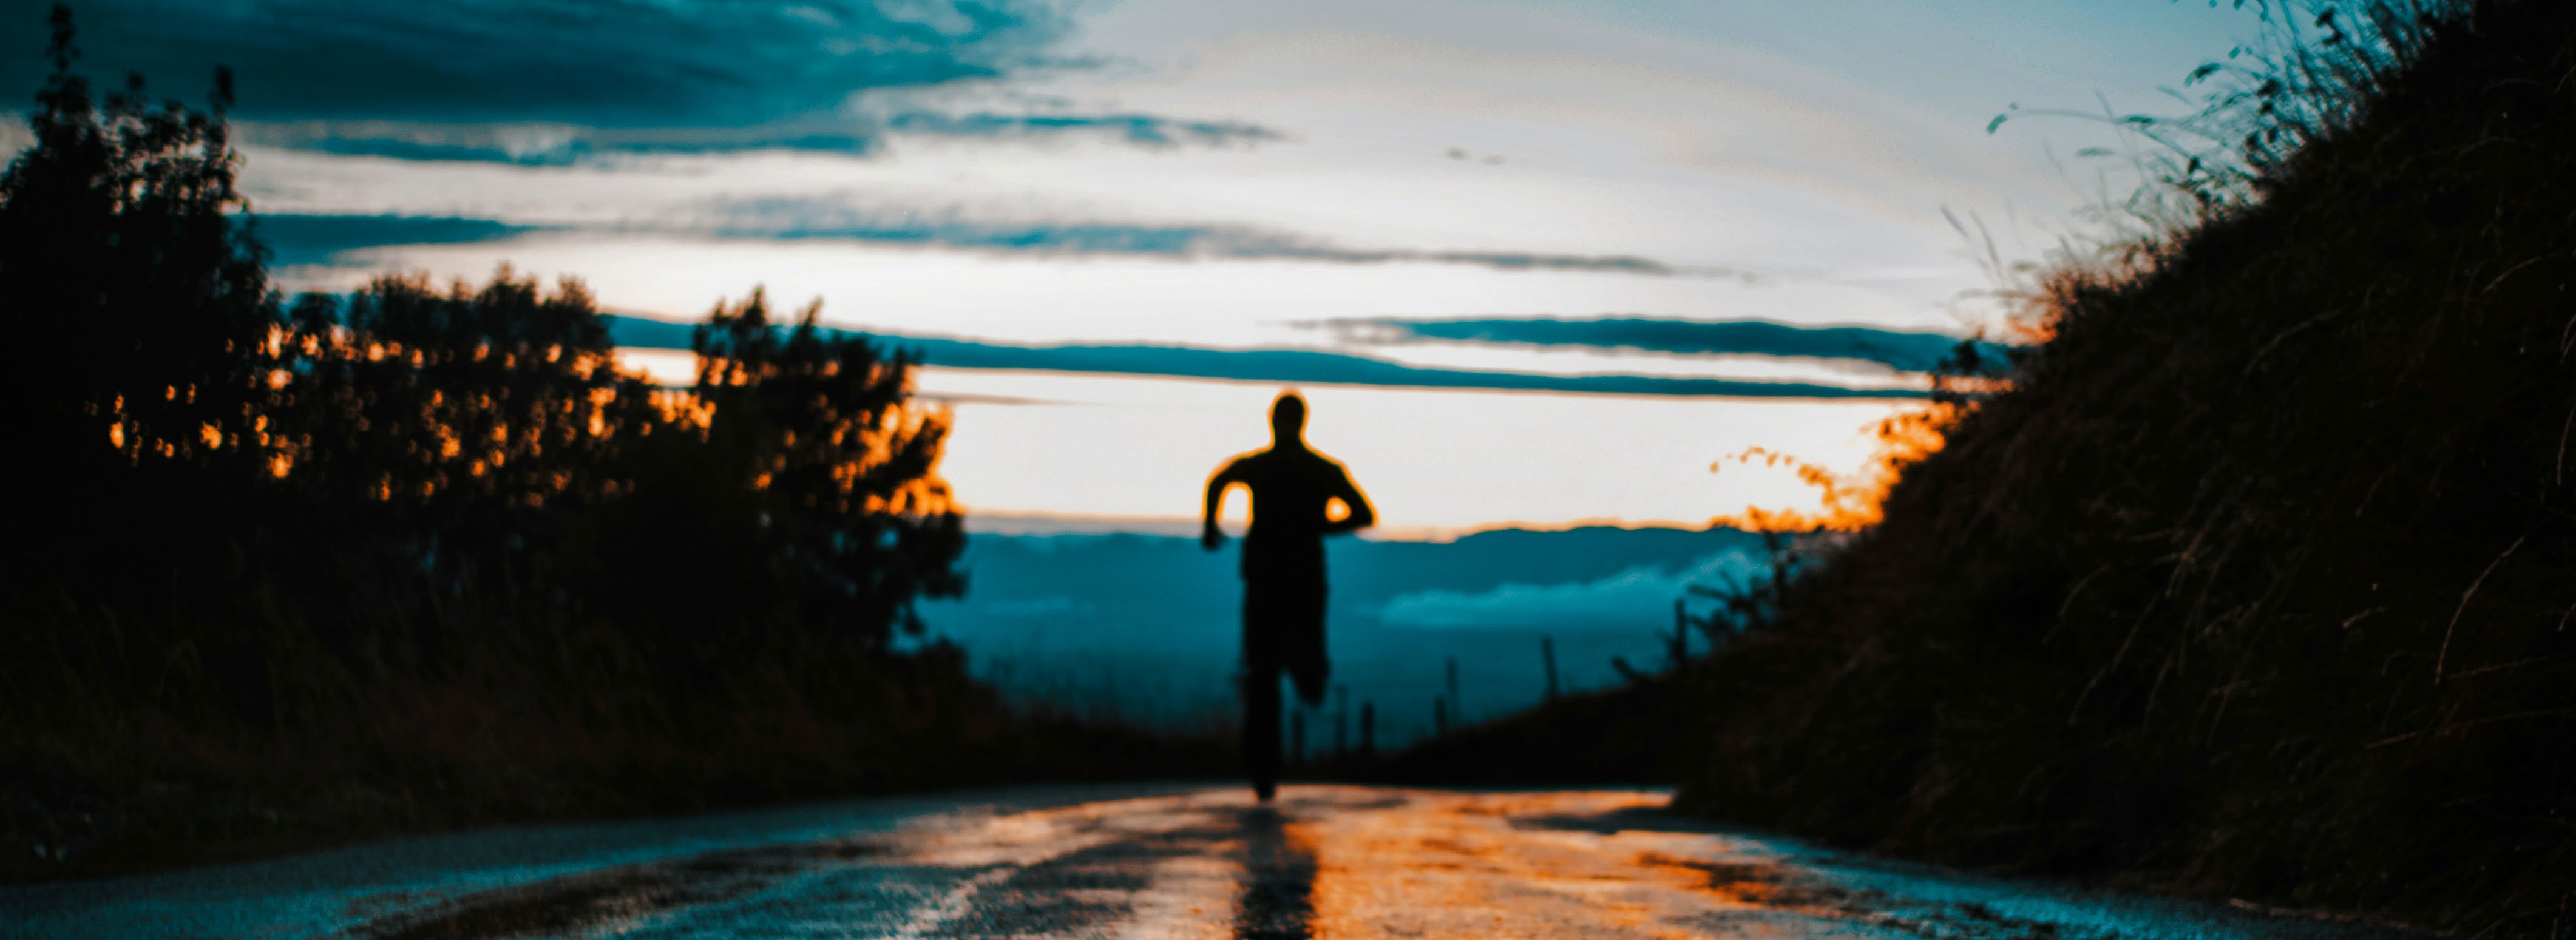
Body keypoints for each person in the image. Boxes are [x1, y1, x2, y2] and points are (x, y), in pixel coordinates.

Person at [1202, 391, 1374, 801]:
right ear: (1303, 422)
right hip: (1301, 580)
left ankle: (1264, 767)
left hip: (1267, 581)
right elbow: (1362, 513)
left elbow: (1219, 480)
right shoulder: (1322, 469)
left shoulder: (1263, 466)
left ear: (1274, 421)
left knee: (1263, 673)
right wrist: (1319, 525)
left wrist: (1210, 526)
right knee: (1275, 672)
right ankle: (1266, 764)